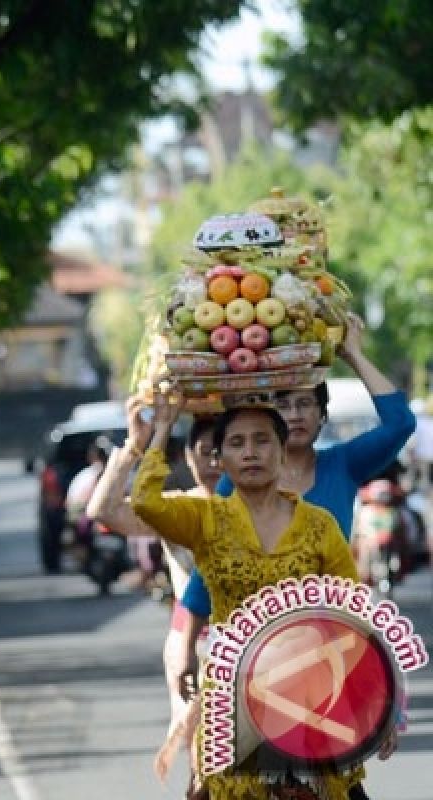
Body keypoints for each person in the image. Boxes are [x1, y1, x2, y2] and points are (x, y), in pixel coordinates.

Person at [173, 314, 414, 800]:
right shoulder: (240, 478)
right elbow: (207, 574)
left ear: (322, 416)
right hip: (247, 668)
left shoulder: (343, 465)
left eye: (307, 404)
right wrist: (182, 648)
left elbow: (401, 423)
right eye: (285, 404)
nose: (297, 414)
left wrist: (353, 354)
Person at [133, 391, 396, 800]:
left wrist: (381, 707)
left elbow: (354, 619)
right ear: (220, 459)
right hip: (235, 700)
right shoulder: (206, 520)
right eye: (236, 444)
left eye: (262, 441)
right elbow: (146, 504)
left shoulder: (318, 525)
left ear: (280, 450)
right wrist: (163, 427)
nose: (251, 453)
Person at [86, 403, 221, 781]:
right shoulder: (176, 509)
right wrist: (136, 445)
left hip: (263, 647)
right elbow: (104, 511)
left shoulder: (265, 507)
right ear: (188, 458)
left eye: (221, 450)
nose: (213, 461)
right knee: (207, 766)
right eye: (203, 452)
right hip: (196, 646)